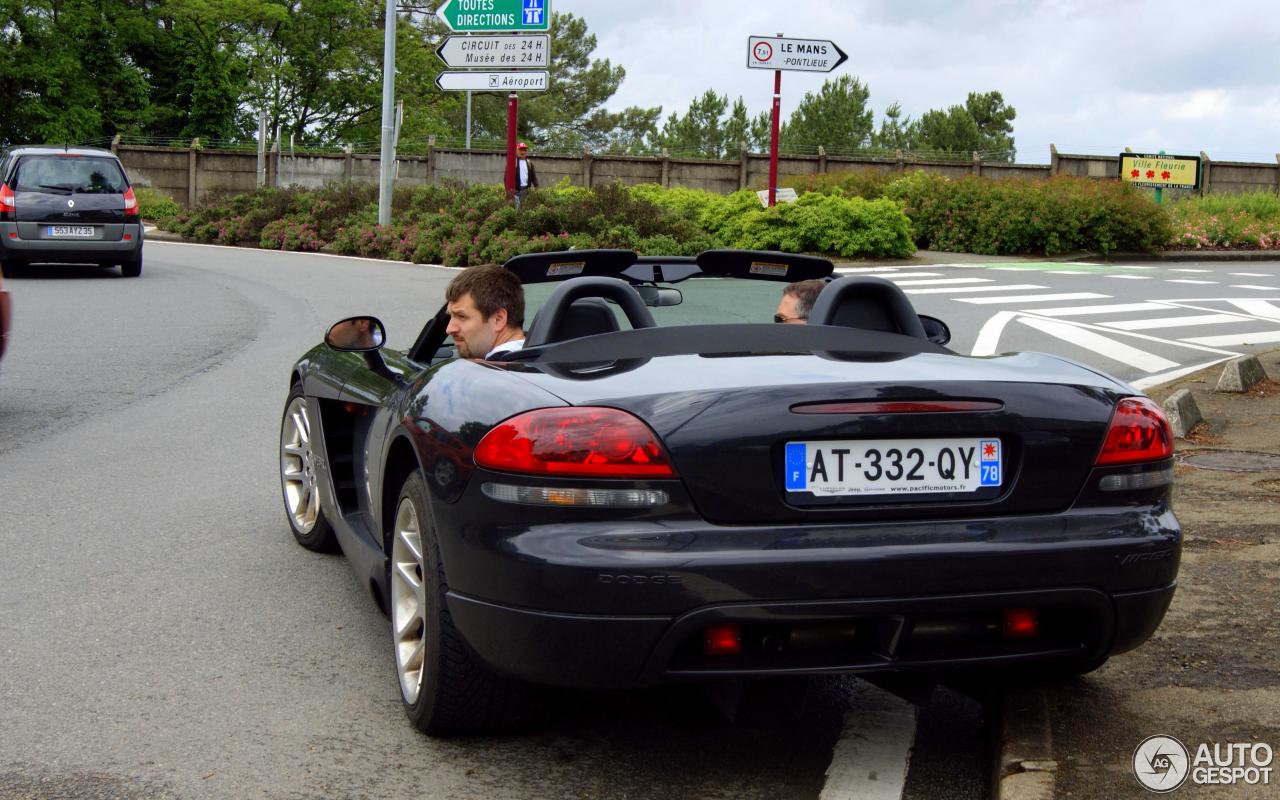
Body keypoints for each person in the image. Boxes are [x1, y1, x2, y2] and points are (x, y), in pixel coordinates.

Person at [445, 264, 526, 359]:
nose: (449, 329)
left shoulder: (495, 371)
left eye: (462, 316)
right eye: (451, 316)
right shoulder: (538, 356)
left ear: (498, 319)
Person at [514, 142, 538, 208]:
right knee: (516, 210)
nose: (522, 152)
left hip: (525, 190)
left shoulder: (529, 163)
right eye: (521, 149)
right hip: (515, 191)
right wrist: (507, 190)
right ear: (517, 150)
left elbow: (534, 177)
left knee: (523, 209)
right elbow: (506, 177)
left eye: (524, 150)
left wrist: (537, 187)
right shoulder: (513, 162)